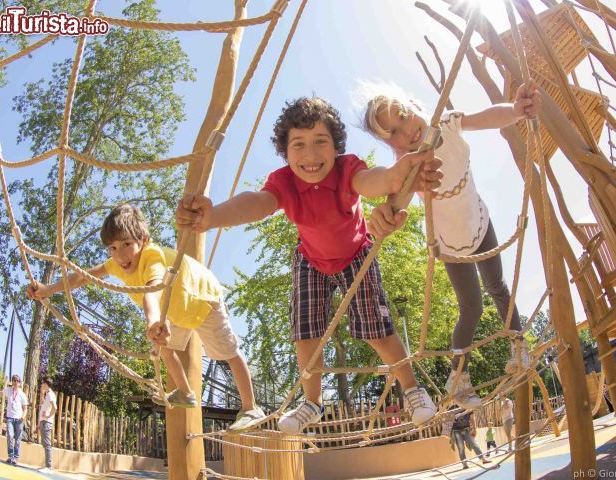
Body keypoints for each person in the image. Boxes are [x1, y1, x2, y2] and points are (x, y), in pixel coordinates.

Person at [176, 96, 443, 434]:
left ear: (336, 148)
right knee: (305, 331)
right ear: (286, 154)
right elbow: (257, 203)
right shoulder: (284, 182)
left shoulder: (347, 169)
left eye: (321, 142)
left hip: (355, 253)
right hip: (311, 260)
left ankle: (412, 389)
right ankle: (312, 402)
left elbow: (369, 181)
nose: (311, 154)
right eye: (298, 145)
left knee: (377, 326)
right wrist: (214, 216)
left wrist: (393, 178)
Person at [360, 81, 540, 409]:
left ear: (414, 103)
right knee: (470, 307)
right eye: (394, 134)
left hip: (479, 223)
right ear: (392, 146)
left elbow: (485, 117)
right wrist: (382, 216)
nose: (406, 131)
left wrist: (514, 112)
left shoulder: (447, 123)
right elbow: (392, 198)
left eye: (403, 115)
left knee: (497, 287)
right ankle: (459, 377)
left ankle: (518, 345)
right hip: (450, 245)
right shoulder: (409, 165)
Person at [26, 204, 265, 431]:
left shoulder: (152, 257)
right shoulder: (117, 264)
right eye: (113, 248)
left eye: (127, 244)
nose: (120, 255)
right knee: (163, 347)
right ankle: (185, 392)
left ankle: (251, 408)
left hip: (202, 299)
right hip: (176, 309)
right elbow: (84, 276)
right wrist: (49, 289)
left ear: (144, 240)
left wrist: (152, 321)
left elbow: (152, 290)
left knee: (227, 352)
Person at [0, 374, 28, 465]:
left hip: (19, 419)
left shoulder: (22, 394)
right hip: (10, 418)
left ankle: (15, 458)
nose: (16, 382)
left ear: (20, 383)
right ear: (12, 382)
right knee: (10, 435)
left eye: (17, 381)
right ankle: (10, 456)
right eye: (14, 380)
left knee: (17, 439)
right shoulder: (8, 390)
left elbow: (25, 408)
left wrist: (23, 417)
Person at [36, 377, 57, 472]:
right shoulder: (48, 394)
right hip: (44, 422)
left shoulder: (50, 395)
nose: (41, 385)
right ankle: (47, 465)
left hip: (46, 422)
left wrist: (48, 416)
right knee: (45, 443)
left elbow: (55, 408)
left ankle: (48, 466)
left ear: (46, 384)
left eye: (43, 383)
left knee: (47, 444)